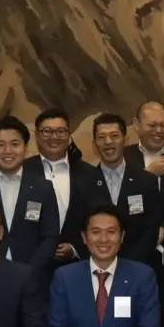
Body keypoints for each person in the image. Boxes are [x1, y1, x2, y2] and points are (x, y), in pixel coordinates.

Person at [0, 115, 59, 288]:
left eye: (15, 144)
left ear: (25, 148)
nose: (8, 151)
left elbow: (50, 236)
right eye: (0, 145)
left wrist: (29, 271)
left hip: (33, 279)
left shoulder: (43, 187)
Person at [22, 108, 100, 269]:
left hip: (76, 267)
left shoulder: (90, 175)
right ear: (36, 135)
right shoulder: (22, 171)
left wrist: (75, 248)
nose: (54, 137)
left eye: (61, 131)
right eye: (47, 131)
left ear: (69, 135)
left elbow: (97, 218)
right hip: (29, 264)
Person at [88, 112, 161, 269]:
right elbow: (81, 229)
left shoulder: (146, 181)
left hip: (137, 267)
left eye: (114, 136)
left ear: (125, 140)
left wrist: (127, 267)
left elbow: (151, 230)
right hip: (96, 269)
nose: (108, 142)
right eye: (101, 137)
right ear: (94, 144)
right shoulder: (84, 183)